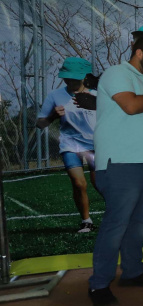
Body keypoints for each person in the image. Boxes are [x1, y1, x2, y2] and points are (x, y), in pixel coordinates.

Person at [88, 26, 143, 306]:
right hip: (120, 162)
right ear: (139, 52)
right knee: (116, 223)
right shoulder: (116, 73)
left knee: (137, 222)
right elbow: (131, 106)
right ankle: (99, 284)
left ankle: (132, 272)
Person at [37, 56, 98, 233]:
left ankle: (117, 216)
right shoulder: (55, 96)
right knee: (79, 183)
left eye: (74, 76)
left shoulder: (97, 94)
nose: (70, 80)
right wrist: (52, 117)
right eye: (67, 76)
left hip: (95, 144)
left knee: (100, 183)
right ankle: (86, 221)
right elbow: (40, 124)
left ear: (84, 76)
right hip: (70, 145)